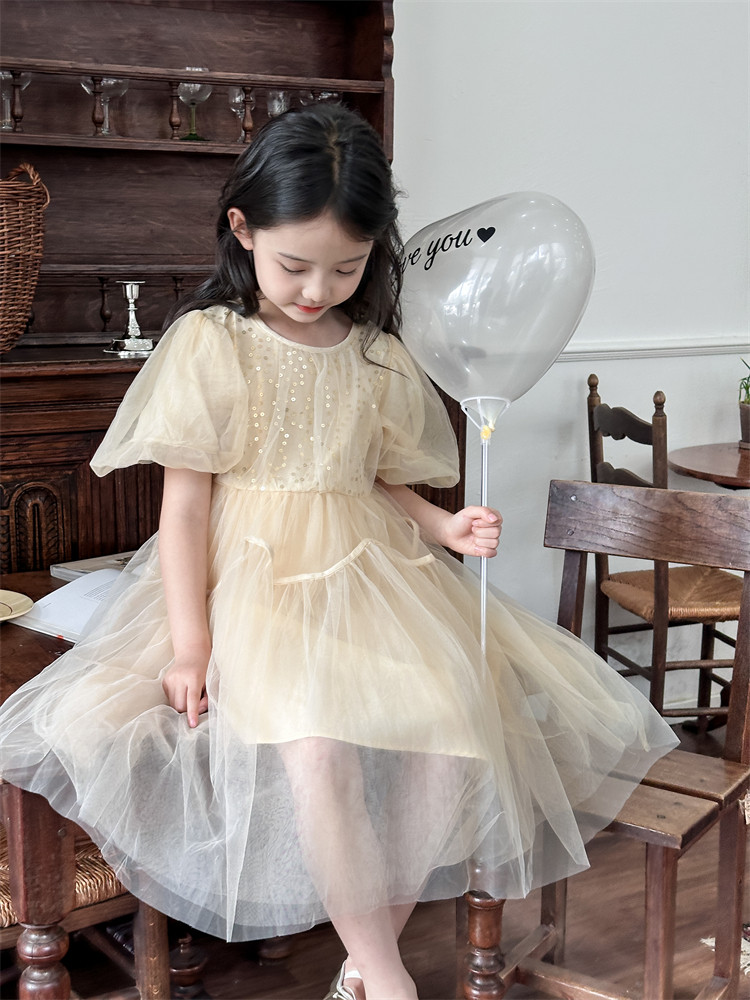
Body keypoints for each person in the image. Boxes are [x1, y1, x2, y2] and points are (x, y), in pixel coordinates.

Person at [0, 105, 677, 1000]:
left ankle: (365, 965)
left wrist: (440, 526)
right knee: (317, 748)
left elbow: (367, 477)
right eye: (295, 266)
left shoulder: (376, 353)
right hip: (255, 581)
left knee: (454, 732)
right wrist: (191, 645)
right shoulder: (213, 341)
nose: (318, 289)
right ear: (242, 230)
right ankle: (390, 981)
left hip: (371, 573)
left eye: (346, 268)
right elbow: (187, 508)